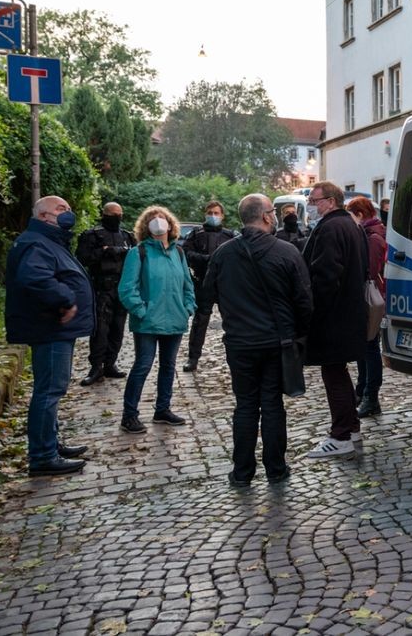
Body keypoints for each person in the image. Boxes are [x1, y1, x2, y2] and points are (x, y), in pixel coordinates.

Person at [202, 194, 313, 487]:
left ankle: (242, 472)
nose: (276, 216)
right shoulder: (286, 252)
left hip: (240, 343)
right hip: (276, 342)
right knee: (272, 404)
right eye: (273, 212)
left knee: (246, 405)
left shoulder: (224, 254)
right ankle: (276, 469)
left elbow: (207, 295)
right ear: (265, 216)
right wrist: (298, 334)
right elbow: (304, 301)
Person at [5, 196, 94, 476]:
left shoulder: (48, 240)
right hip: (49, 327)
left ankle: (50, 443)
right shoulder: (36, 242)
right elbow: (35, 278)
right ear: (44, 216)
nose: (68, 212)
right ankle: (42, 456)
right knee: (49, 390)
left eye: (68, 208)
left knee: (52, 389)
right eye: (60, 209)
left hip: (53, 327)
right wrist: (66, 299)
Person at [302, 181, 369, 458]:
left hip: (333, 315)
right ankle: (351, 428)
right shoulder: (352, 225)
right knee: (338, 372)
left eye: (315, 201)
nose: (312, 206)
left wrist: (313, 312)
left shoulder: (330, 227)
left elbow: (326, 276)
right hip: (350, 312)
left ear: (330, 201)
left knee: (333, 372)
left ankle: (341, 434)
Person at [117, 206, 197, 434]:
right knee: (142, 366)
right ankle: (129, 415)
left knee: (168, 366)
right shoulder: (138, 252)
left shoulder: (178, 253)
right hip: (148, 322)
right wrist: (142, 311)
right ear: (146, 226)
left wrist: (187, 308)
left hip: (175, 319)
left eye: (162, 217)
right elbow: (126, 289)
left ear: (171, 224)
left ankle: (163, 409)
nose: (158, 221)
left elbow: (187, 286)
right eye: (153, 219)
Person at [74, 202, 136, 386]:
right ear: (104, 214)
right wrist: (103, 252)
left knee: (118, 327)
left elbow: (136, 258)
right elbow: (82, 258)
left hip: (122, 287)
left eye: (119, 214)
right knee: (100, 329)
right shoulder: (92, 235)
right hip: (102, 287)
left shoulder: (127, 237)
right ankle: (96, 367)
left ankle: (110, 363)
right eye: (113, 214)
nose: (116, 217)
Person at [345, 196, 387, 417]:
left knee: (370, 347)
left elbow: (368, 270)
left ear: (359, 215)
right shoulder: (369, 234)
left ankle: (371, 396)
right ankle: (362, 390)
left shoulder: (372, 237)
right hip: (367, 296)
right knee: (364, 347)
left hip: (371, 298)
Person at [182, 201, 236, 372]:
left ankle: (236, 356)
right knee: (200, 321)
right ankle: (193, 357)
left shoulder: (230, 236)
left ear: (222, 215)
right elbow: (186, 253)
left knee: (232, 321)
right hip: (203, 281)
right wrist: (204, 259)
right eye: (210, 212)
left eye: (216, 213)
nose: (213, 215)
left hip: (224, 283)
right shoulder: (196, 234)